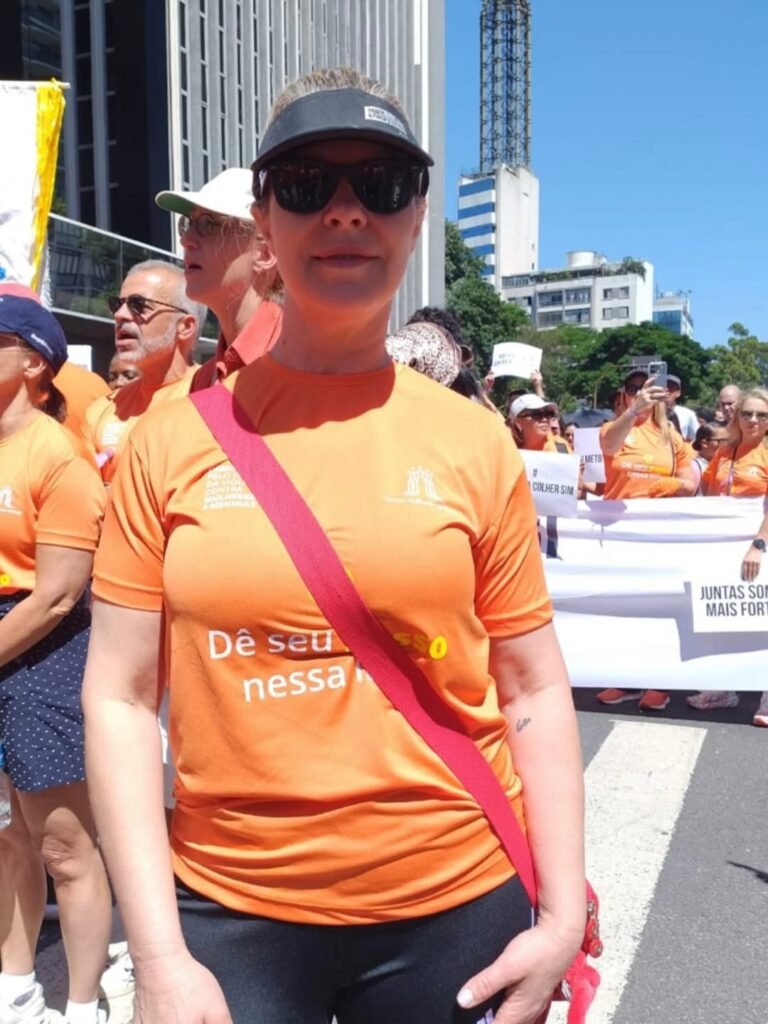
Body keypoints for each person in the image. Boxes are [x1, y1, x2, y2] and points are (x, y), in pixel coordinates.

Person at [83, 67, 586, 1024]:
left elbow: (531, 686)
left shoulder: (473, 440)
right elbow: (117, 698)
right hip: (230, 910)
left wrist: (562, 915)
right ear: (263, 224)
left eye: (382, 185)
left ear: (416, 217)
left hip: (455, 903)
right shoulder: (166, 441)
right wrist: (155, 956)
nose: (346, 211)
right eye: (309, 184)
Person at [0, 296, 111, 1024]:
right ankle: (15, 989)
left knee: (65, 846)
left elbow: (59, 595)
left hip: (44, 655)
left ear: (35, 363)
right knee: (7, 836)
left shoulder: (57, 456)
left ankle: (81, 1003)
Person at [595, 369, 695, 711]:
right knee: (625, 609)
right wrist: (633, 411)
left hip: (659, 536)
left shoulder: (671, 436)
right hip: (619, 535)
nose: (640, 391)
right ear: (624, 393)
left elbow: (690, 483)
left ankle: (660, 683)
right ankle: (627, 680)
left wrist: (670, 485)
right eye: (633, 387)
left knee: (660, 609)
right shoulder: (614, 427)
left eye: (646, 388)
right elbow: (609, 446)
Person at [155, 169, 283, 391]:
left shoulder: (305, 363)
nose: (186, 240)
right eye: (187, 224)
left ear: (265, 252)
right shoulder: (203, 380)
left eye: (208, 224)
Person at [82, 260, 205, 482]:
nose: (120, 315)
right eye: (117, 304)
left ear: (185, 326)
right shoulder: (102, 411)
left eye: (138, 305)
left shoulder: (215, 397)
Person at [687, 389, 768, 724]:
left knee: (763, 619)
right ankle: (722, 688)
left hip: (760, 547)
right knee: (722, 614)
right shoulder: (724, 452)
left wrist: (759, 545)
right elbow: (708, 493)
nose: (753, 420)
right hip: (723, 548)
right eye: (747, 413)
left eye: (761, 415)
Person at [690, 422, 728, 495]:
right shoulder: (694, 468)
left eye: (727, 440)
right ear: (704, 443)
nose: (726, 445)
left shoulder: (725, 465)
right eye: (721, 441)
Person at [663, 374, 698, 441]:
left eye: (671, 387)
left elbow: (694, 439)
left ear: (678, 393)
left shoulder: (688, 414)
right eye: (664, 387)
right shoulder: (650, 412)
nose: (667, 390)